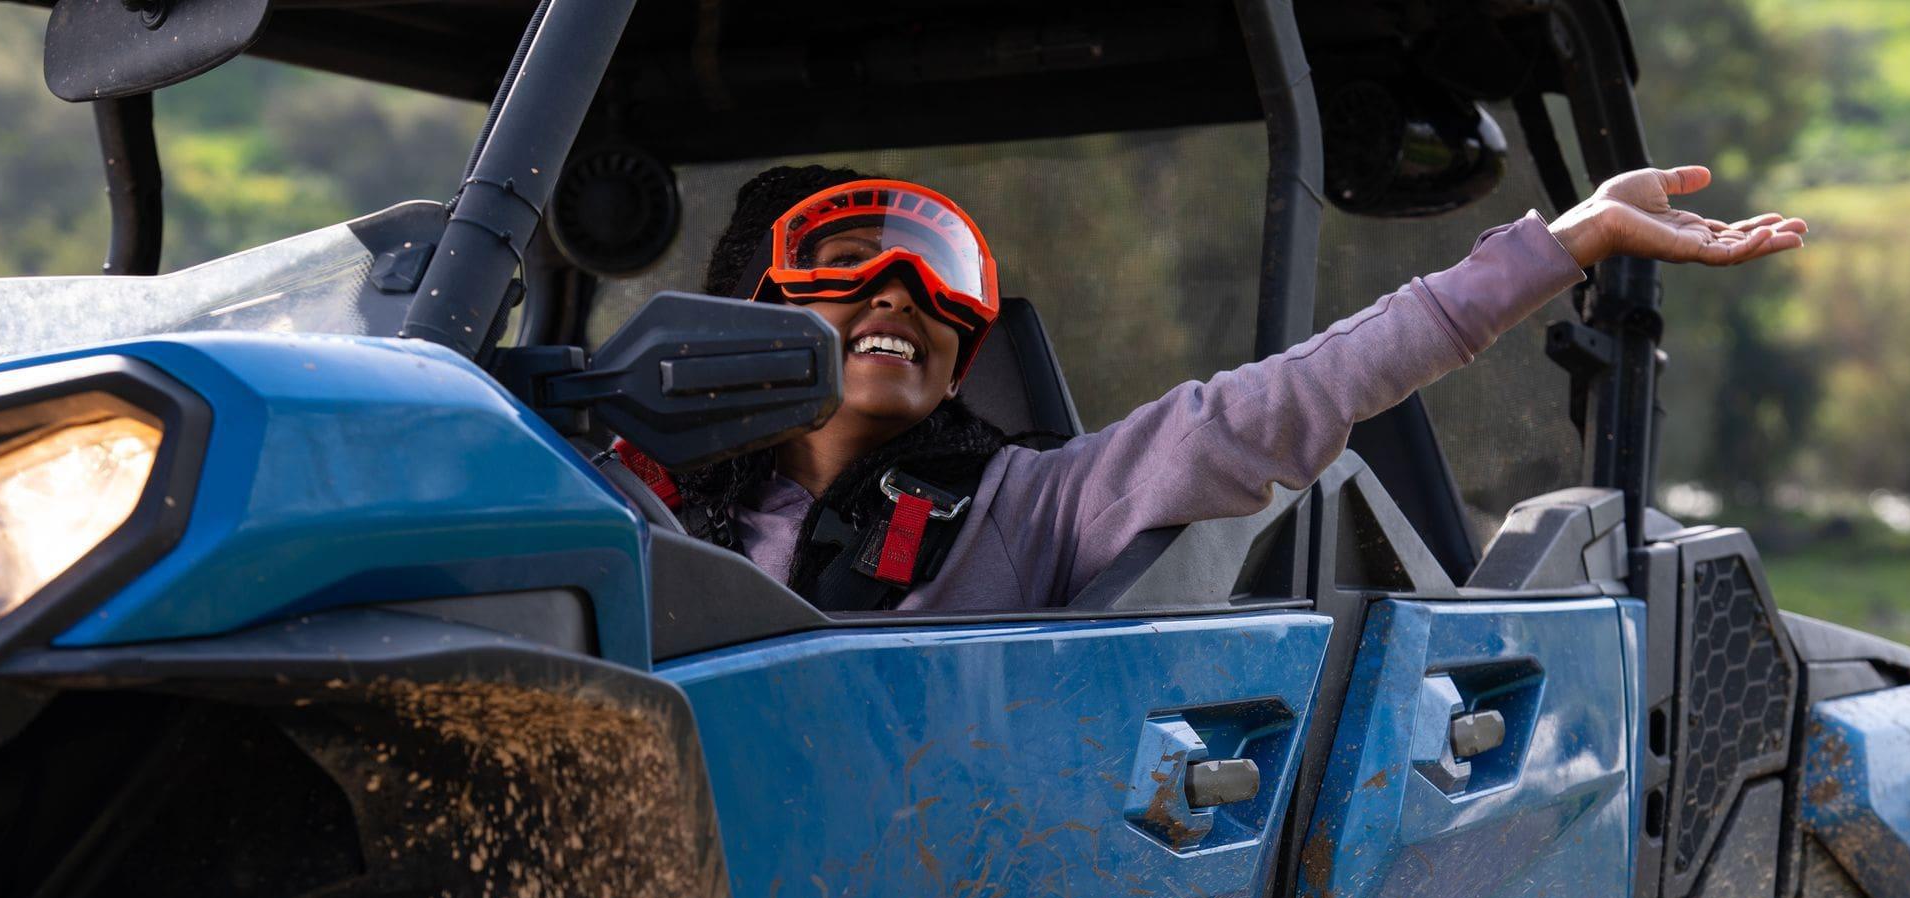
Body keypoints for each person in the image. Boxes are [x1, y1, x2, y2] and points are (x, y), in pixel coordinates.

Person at [609, 162, 1804, 611]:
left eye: (935, 281)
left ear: (966, 351)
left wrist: (1565, 246)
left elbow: (1297, 392)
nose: (896, 293)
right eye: (842, 264)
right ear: (743, 319)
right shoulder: (619, 501)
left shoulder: (1038, 503)